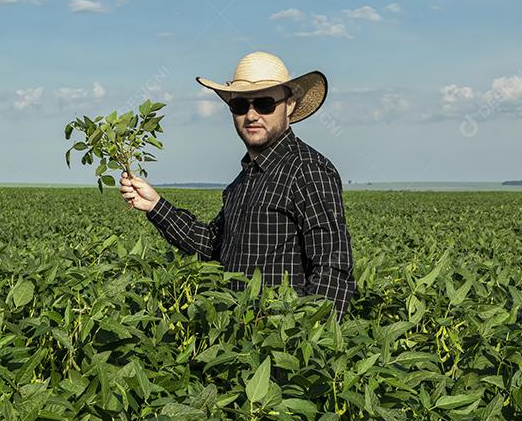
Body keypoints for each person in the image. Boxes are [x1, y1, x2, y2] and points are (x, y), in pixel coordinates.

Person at [119, 51, 356, 317]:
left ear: (289, 105)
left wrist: (305, 342)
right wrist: (155, 205)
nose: (251, 115)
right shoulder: (242, 181)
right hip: (234, 339)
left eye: (265, 104)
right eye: (240, 106)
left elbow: (333, 269)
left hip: (278, 343)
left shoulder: (308, 170)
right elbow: (211, 244)